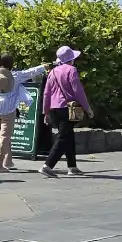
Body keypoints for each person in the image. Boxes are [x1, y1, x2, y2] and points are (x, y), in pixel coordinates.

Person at [0, 55, 50, 172]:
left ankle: (8, 161)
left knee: (2, 134)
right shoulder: (15, 76)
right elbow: (30, 72)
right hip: (8, 109)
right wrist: (43, 67)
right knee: (5, 136)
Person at [41, 46, 93, 177]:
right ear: (71, 59)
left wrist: (45, 112)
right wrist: (87, 108)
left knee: (69, 136)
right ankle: (48, 165)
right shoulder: (72, 70)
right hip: (67, 108)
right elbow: (78, 91)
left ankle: (72, 166)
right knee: (64, 137)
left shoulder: (52, 72)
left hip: (54, 109)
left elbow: (46, 93)